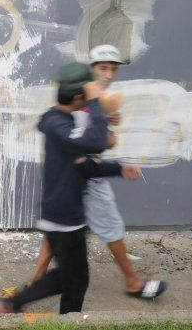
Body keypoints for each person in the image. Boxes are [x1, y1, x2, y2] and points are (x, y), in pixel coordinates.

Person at [0, 63, 141, 314]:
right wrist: (96, 103)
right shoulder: (57, 125)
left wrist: (119, 169)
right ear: (79, 96)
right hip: (63, 217)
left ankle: (20, 304)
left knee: (73, 278)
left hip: (65, 214)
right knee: (75, 279)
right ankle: (15, 303)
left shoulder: (65, 124)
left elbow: (85, 166)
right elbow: (98, 142)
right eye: (86, 96)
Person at [28, 45, 167, 300]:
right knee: (111, 226)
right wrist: (103, 124)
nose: (108, 74)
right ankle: (133, 282)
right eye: (103, 68)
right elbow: (98, 141)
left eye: (113, 69)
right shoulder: (86, 98)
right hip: (89, 175)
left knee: (58, 228)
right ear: (91, 70)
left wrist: (108, 122)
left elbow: (104, 137)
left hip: (76, 175)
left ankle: (35, 282)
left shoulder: (95, 99)